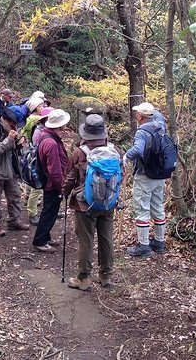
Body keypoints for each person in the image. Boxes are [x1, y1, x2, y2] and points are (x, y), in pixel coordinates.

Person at [63, 115, 120, 290]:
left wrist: (64, 194)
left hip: (84, 205)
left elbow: (69, 179)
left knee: (86, 240)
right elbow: (119, 177)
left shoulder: (79, 153)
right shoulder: (115, 151)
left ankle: (84, 278)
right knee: (106, 238)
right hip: (108, 203)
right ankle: (106, 276)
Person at [124, 102, 169, 258]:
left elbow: (138, 149)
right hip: (160, 174)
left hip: (145, 175)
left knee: (142, 209)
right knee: (157, 206)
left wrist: (126, 156)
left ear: (140, 116)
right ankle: (159, 242)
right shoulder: (160, 126)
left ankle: (143, 246)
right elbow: (158, 114)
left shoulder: (142, 131)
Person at [0, 107, 30, 236]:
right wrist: (9, 139)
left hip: (10, 169)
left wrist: (18, 142)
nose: (13, 126)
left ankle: (14, 221)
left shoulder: (9, 128)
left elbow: (12, 148)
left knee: (15, 195)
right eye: (11, 123)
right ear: (3, 119)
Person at [32, 108, 70, 253]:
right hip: (52, 184)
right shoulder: (51, 143)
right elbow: (54, 170)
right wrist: (62, 187)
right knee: (49, 211)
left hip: (49, 182)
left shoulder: (45, 135)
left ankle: (45, 236)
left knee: (50, 211)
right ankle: (40, 240)